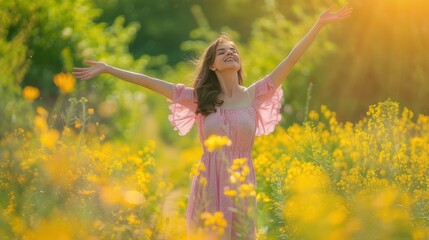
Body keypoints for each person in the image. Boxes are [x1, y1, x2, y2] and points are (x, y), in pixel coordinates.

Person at [73, 3, 352, 239]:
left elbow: (291, 60)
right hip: (209, 182)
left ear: (240, 63)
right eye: (222, 52)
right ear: (212, 65)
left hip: (242, 182)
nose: (230, 53)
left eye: (234, 50)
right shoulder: (199, 99)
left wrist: (319, 23)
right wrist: (109, 69)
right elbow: (151, 83)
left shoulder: (255, 95)